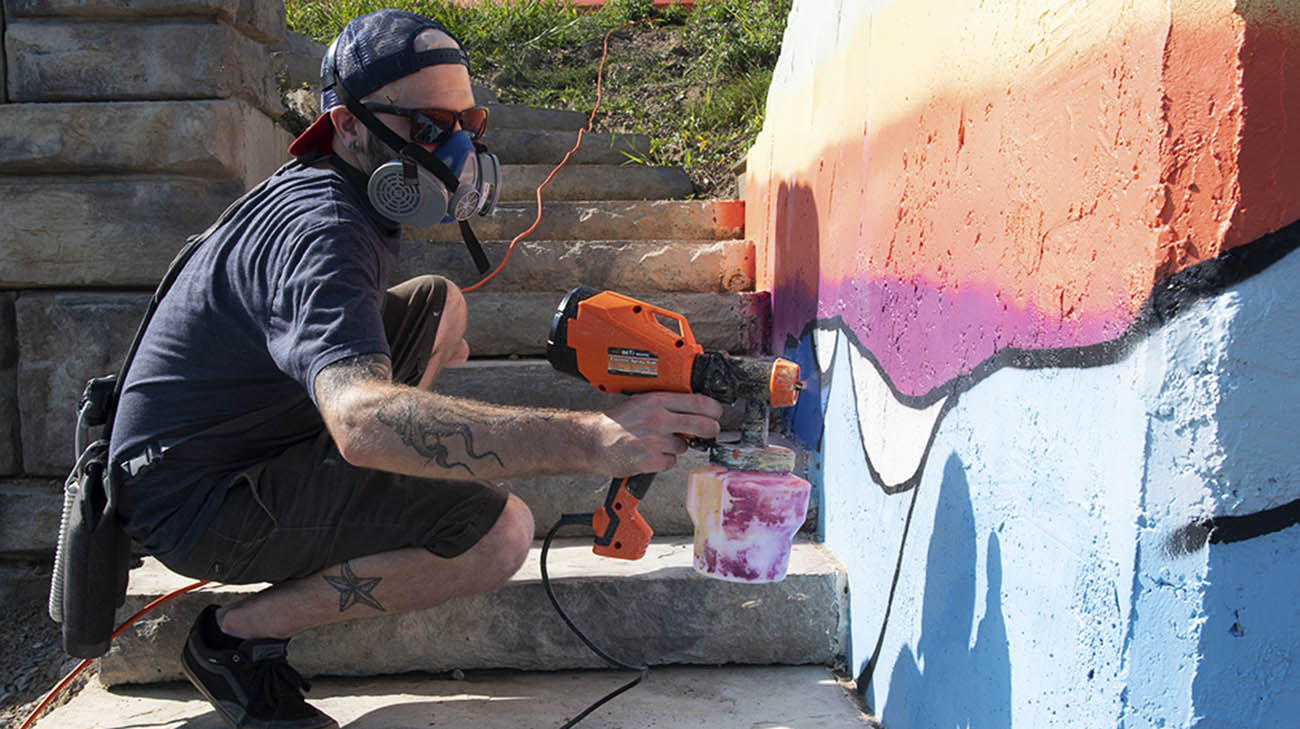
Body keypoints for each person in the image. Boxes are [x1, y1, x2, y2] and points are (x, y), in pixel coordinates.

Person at [108, 9, 723, 729]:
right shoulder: (325, 232)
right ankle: (232, 642)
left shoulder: (340, 189)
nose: (457, 147)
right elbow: (363, 421)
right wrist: (592, 436)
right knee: (498, 533)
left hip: (223, 442)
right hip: (198, 502)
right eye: (429, 125)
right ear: (347, 125)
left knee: (442, 302)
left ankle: (373, 489)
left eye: (468, 121)